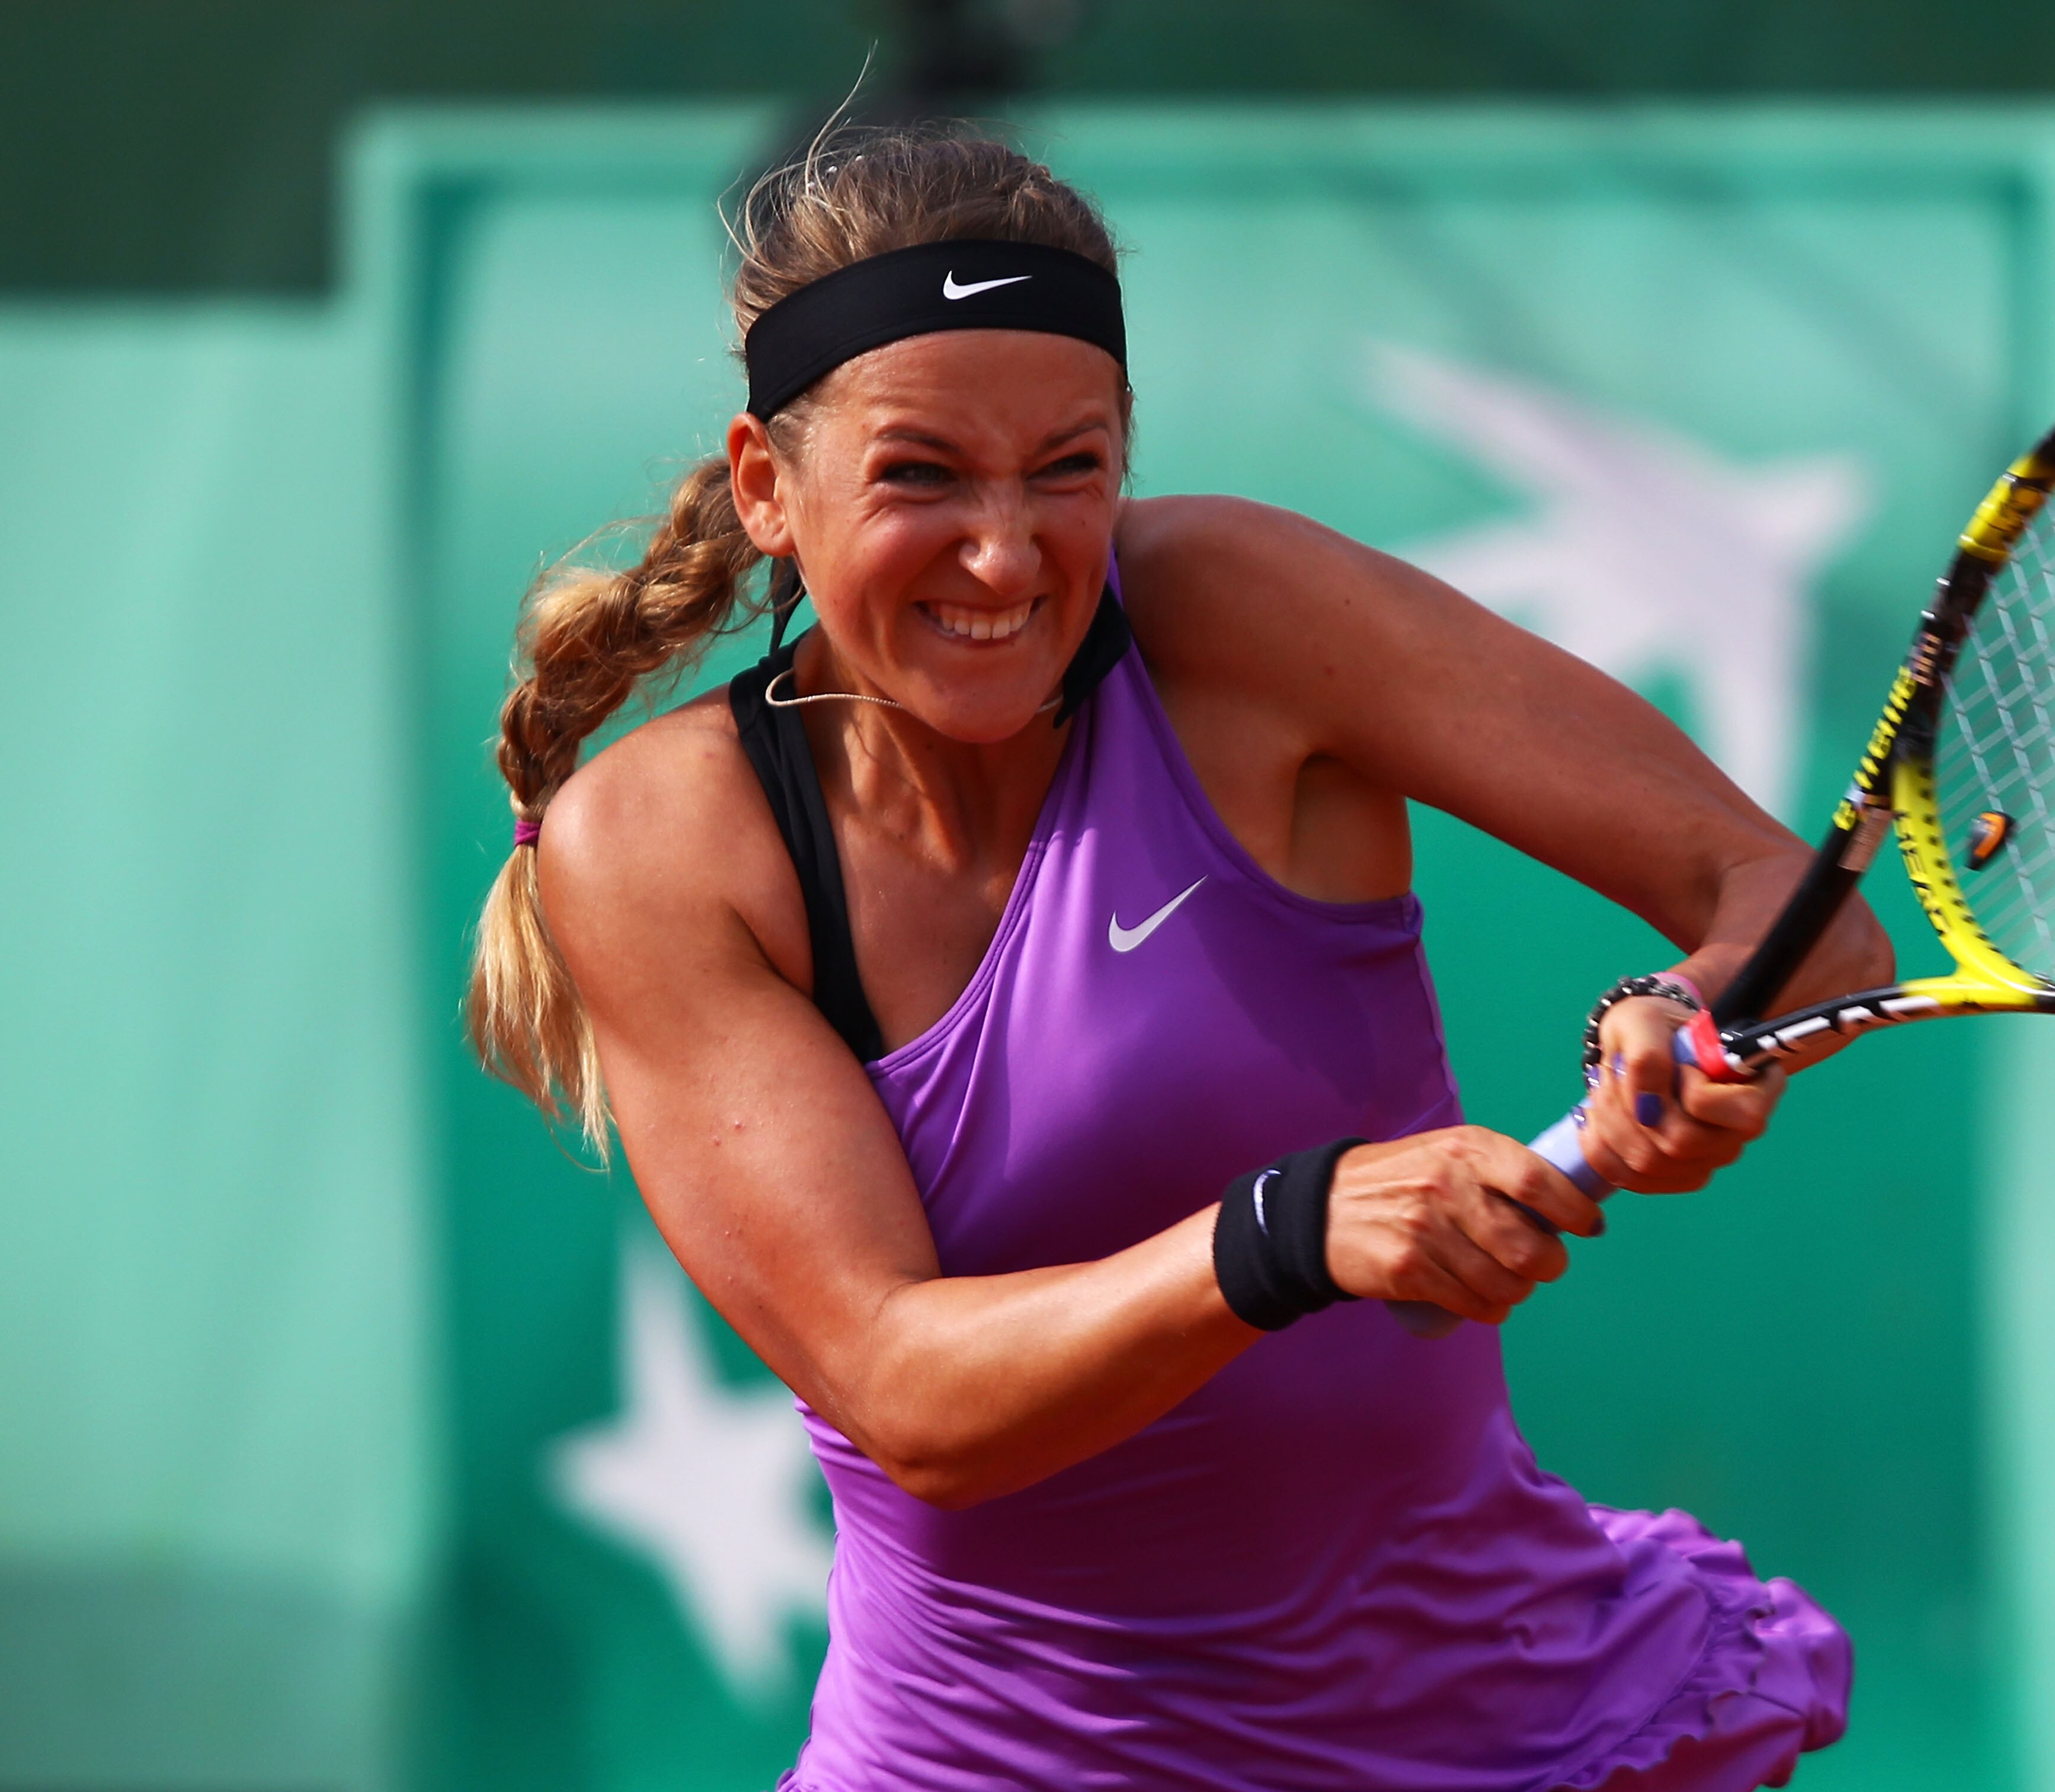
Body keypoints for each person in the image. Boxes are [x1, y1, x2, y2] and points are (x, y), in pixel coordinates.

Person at [466, 123, 1890, 1792]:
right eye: (922, 476)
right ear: (770, 486)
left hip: (1505, 1721)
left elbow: (1793, 908)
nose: (1006, 554)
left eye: (1066, 469)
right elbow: (904, 1390)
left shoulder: (1238, 615)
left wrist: (1685, 1019)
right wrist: (1288, 1233)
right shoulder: (666, 844)